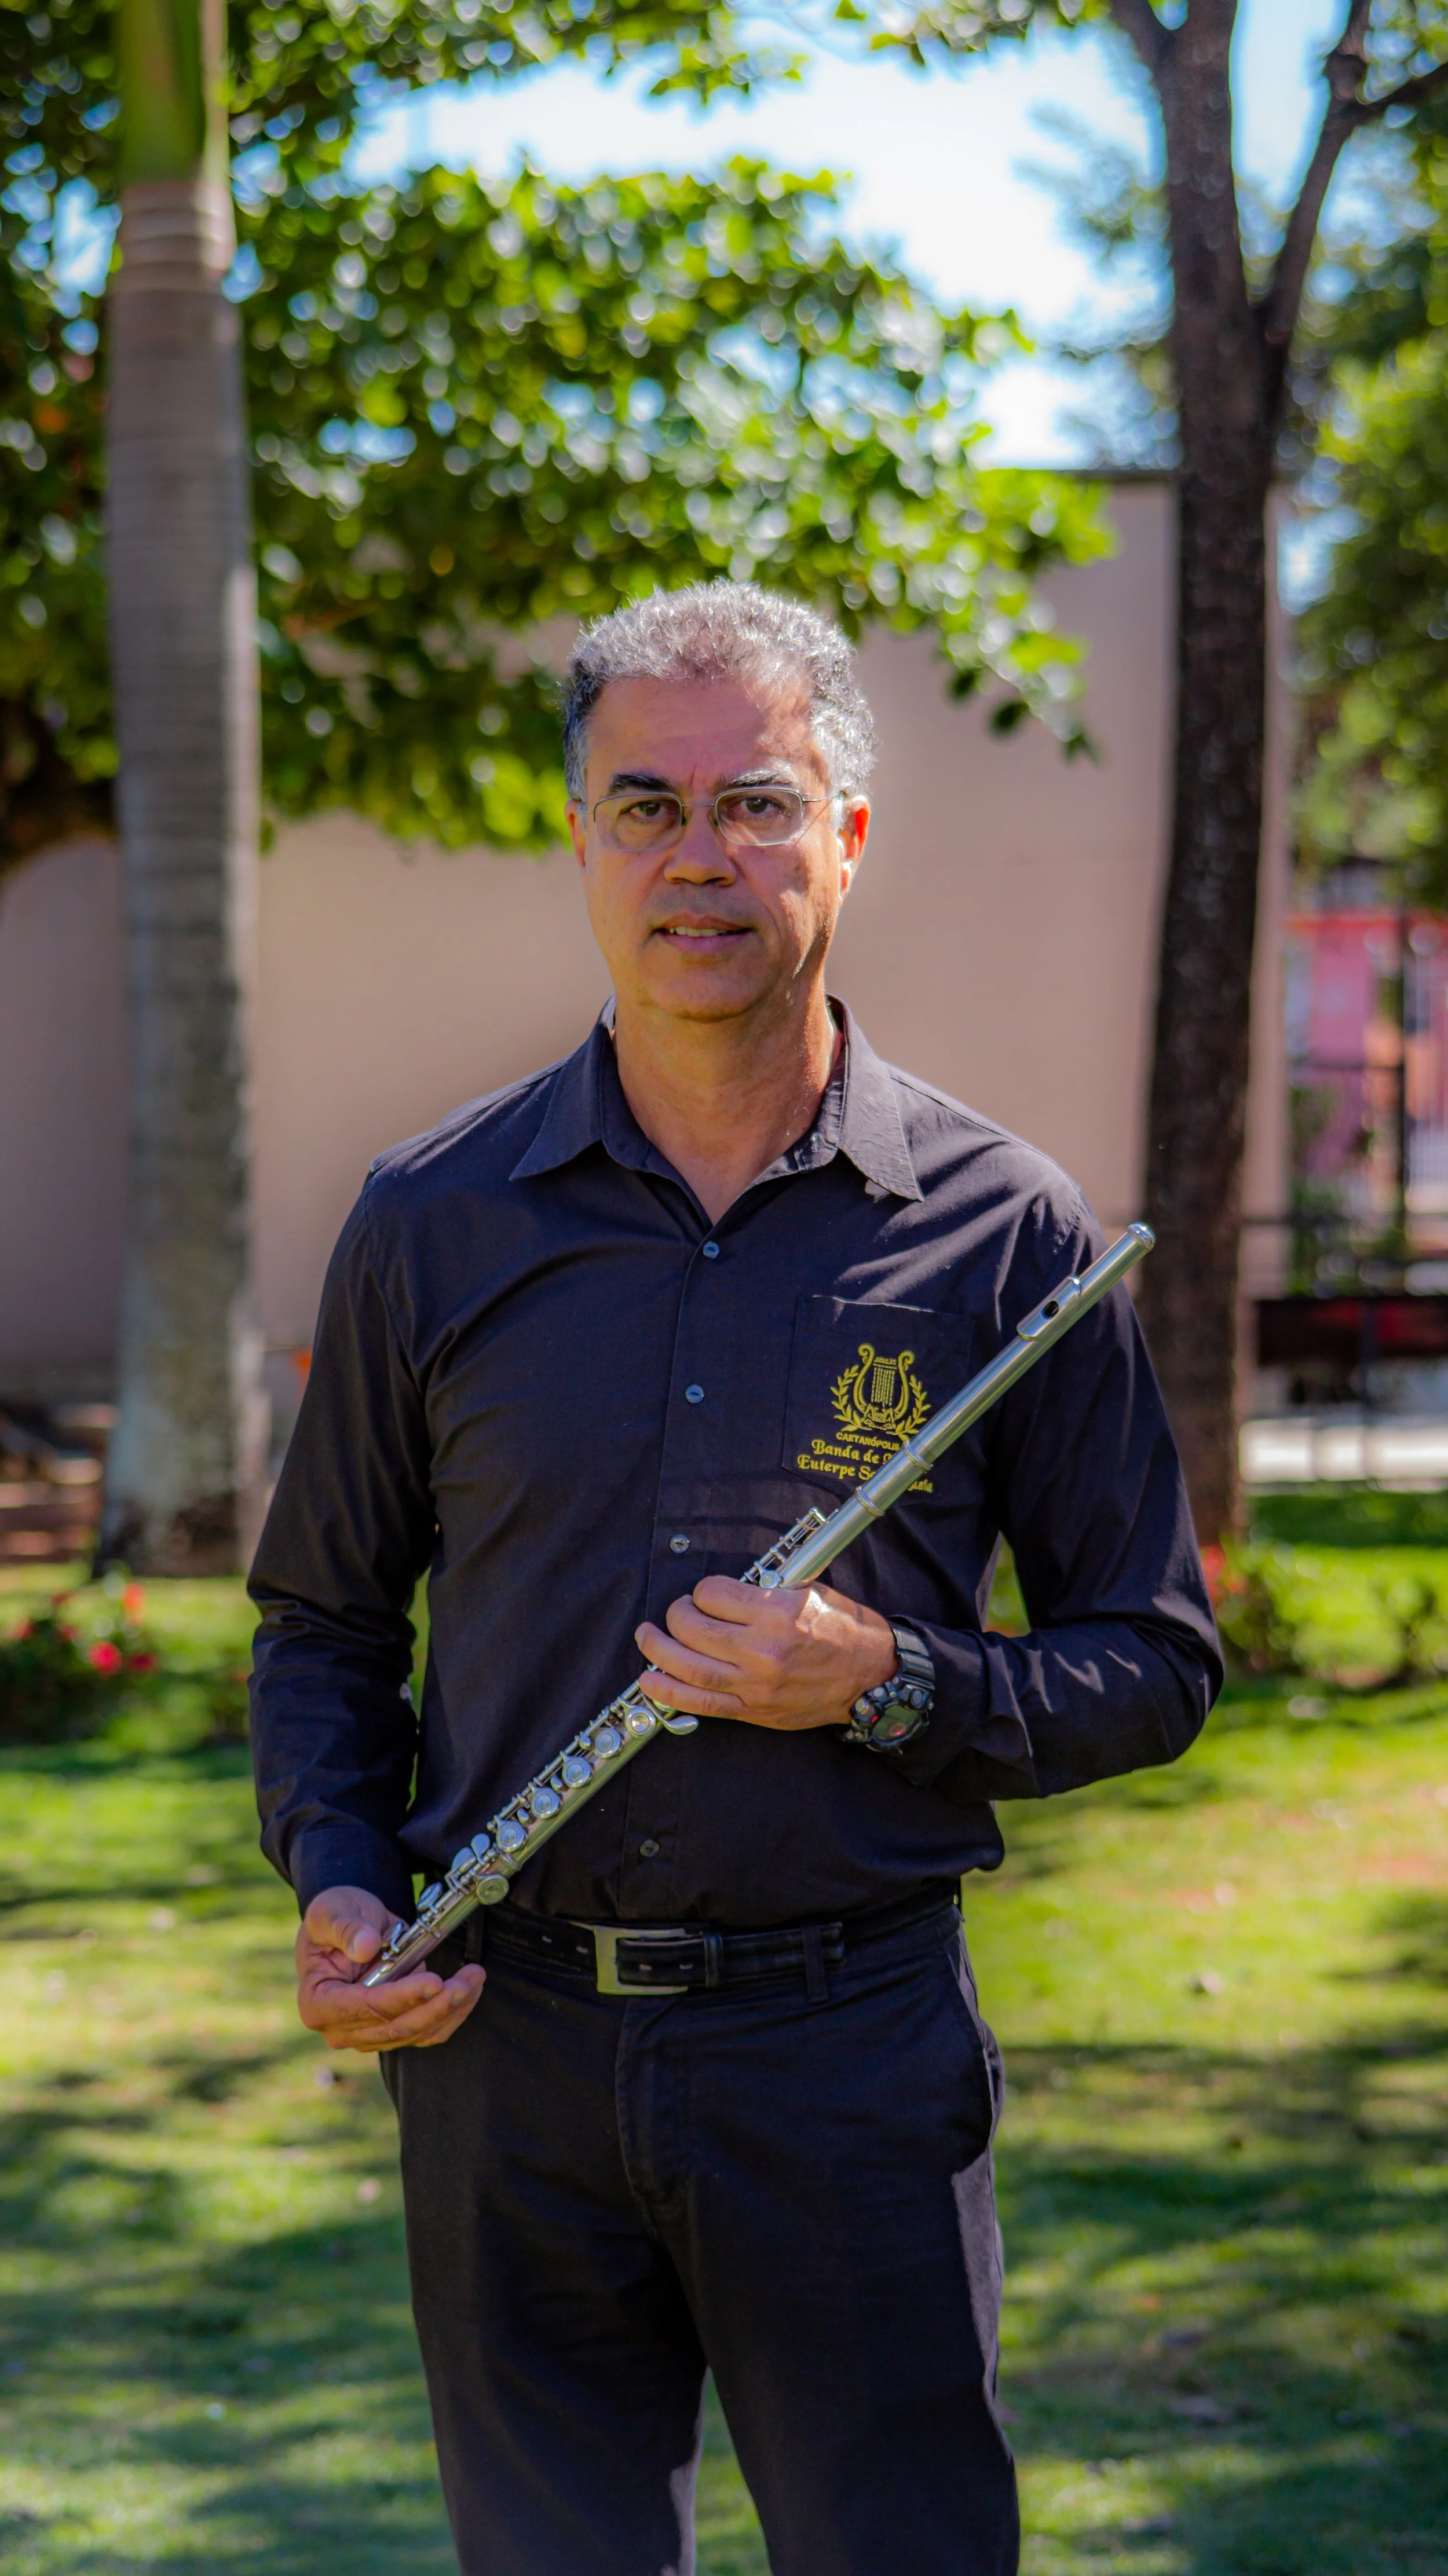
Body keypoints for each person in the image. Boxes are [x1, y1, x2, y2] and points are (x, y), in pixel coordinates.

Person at [248, 580, 1221, 2576]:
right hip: (501, 2062)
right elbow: (324, 1624)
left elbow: (1154, 1661)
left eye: (759, 803)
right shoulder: (430, 1223)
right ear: (581, 845)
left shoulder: (1004, 1233)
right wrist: (341, 1871)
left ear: (846, 840)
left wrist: (884, 1679)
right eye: (645, 807)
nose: (702, 858)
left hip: (846, 2058)